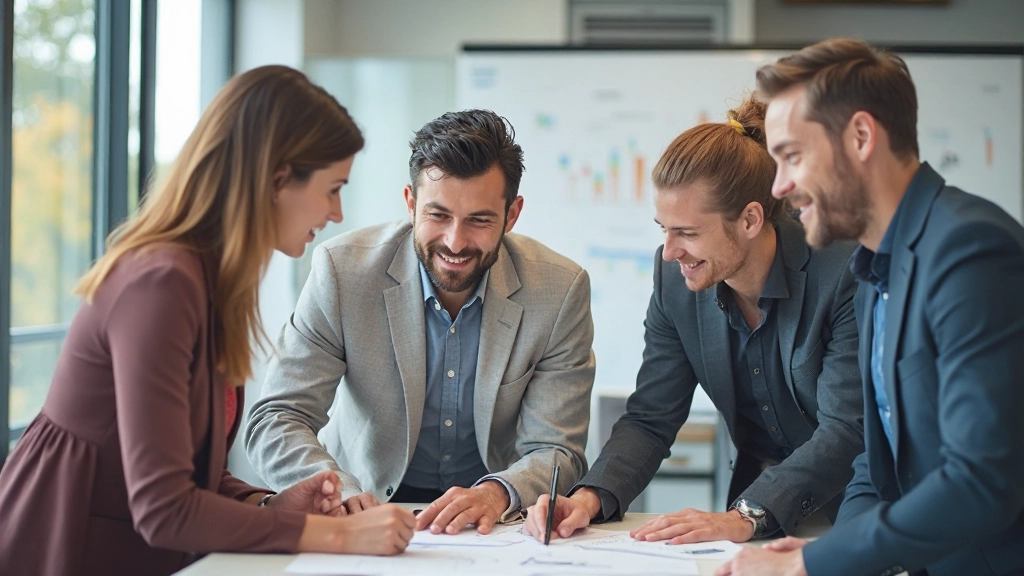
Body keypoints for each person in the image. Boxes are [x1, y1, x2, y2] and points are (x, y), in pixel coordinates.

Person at [0, 65, 416, 576]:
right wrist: (340, 535)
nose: (336, 213)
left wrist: (271, 506)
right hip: (65, 550)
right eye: (332, 188)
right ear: (277, 180)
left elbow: (187, 473)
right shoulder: (162, 283)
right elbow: (164, 507)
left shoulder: (203, 281)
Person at [716, 38, 1024, 576]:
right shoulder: (874, 268)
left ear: (861, 136)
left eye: (792, 157)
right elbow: (876, 464)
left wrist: (815, 562)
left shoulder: (969, 250)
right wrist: (831, 559)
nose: (780, 186)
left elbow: (981, 481)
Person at [524, 97, 863, 545]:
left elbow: (846, 428)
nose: (669, 251)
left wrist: (746, 514)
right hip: (757, 512)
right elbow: (651, 416)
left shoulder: (842, 271)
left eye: (687, 233)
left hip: (858, 504)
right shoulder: (674, 281)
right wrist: (589, 496)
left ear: (750, 219)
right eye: (663, 228)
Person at [245, 109, 597, 536]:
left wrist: (497, 493)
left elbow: (557, 448)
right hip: (364, 508)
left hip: (492, 523)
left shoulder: (559, 291)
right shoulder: (343, 273)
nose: (455, 242)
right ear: (411, 204)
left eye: (479, 220)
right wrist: (337, 493)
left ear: (512, 214)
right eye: (438, 215)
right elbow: (279, 417)